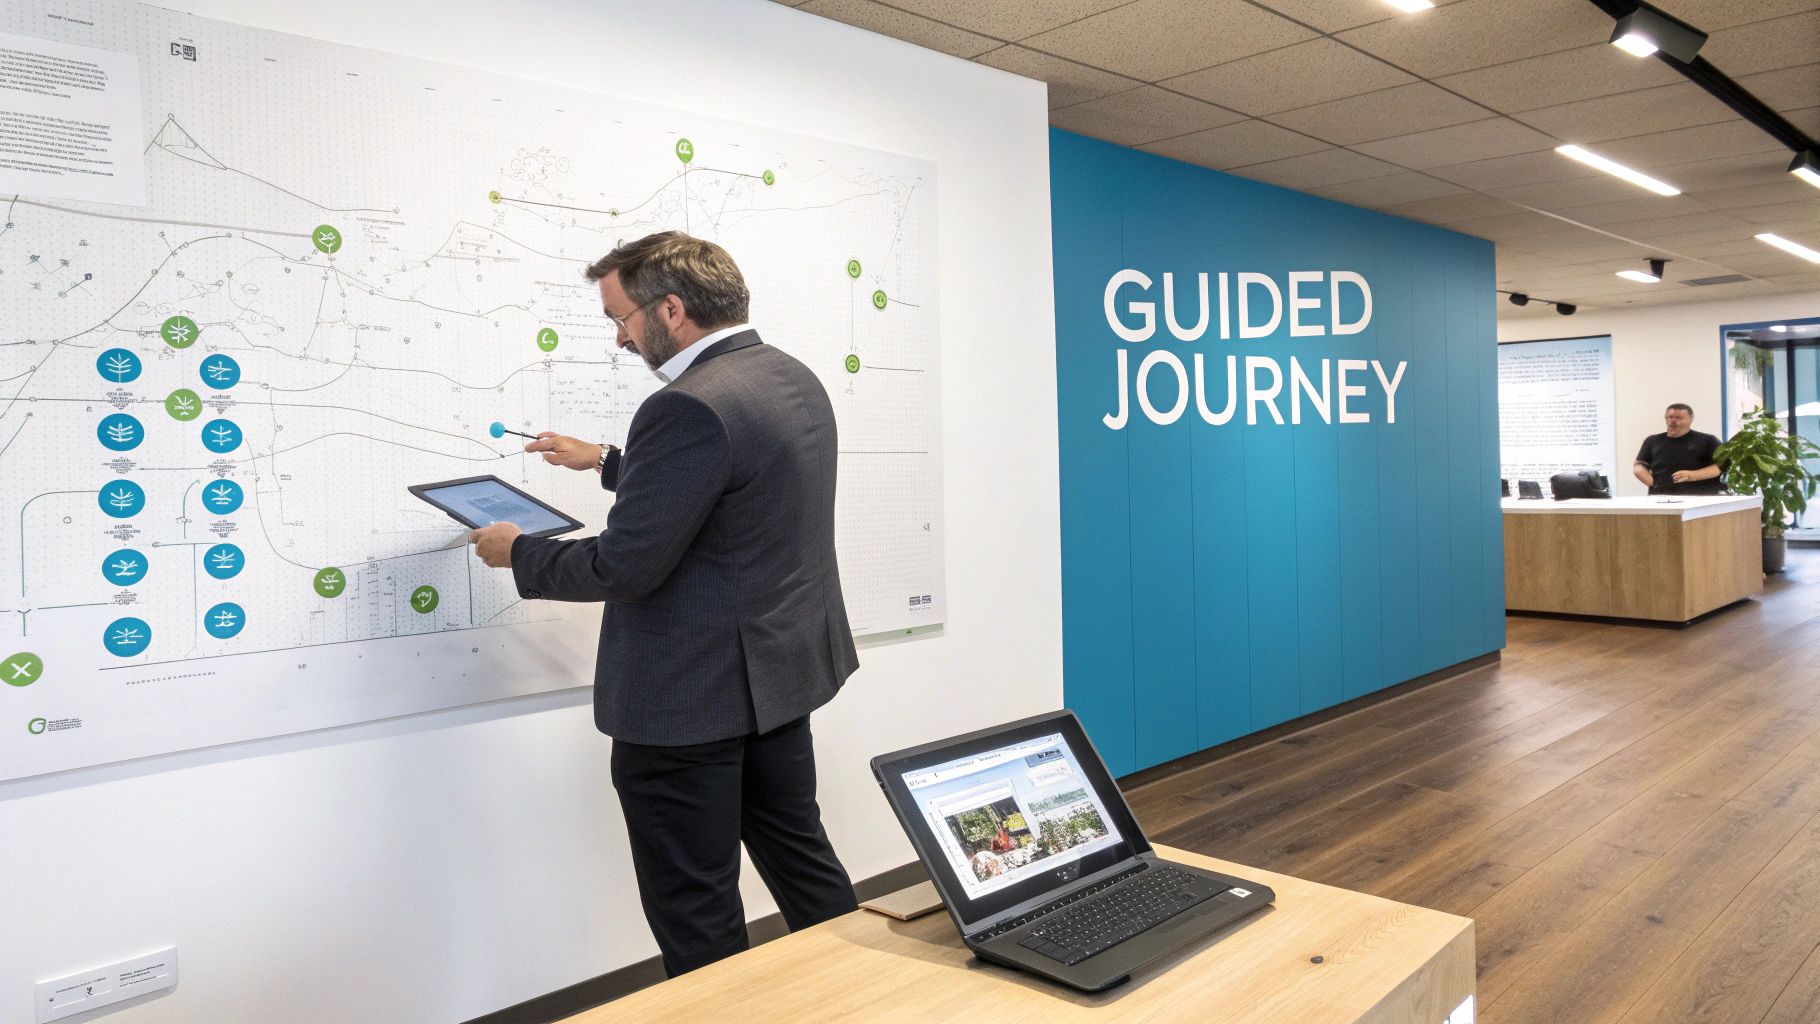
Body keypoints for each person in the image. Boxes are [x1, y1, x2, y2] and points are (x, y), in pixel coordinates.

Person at [469, 231, 860, 976]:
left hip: (689, 702)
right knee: (803, 864)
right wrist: (608, 462)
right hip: (778, 681)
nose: (619, 338)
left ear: (672, 309)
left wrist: (518, 551)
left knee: (695, 910)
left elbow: (624, 565)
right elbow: (733, 487)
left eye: (620, 317)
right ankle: (861, 998)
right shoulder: (789, 375)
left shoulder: (684, 406)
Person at [1632, 402, 1724, 496]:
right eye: (1669, 417)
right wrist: (1651, 482)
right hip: (1661, 498)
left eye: (1678, 418)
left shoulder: (1708, 440)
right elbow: (1639, 465)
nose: (1672, 421)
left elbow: (1719, 467)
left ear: (1691, 419)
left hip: (1701, 498)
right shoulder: (1652, 441)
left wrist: (1691, 475)